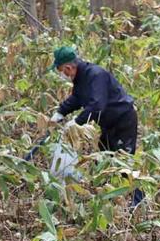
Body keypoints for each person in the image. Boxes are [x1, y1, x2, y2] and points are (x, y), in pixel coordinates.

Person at [49, 46, 143, 206]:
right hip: (108, 124)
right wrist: (60, 112)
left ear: (68, 68)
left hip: (123, 121)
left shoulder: (95, 75)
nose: (62, 75)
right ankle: (111, 197)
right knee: (105, 159)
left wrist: (77, 122)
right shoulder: (80, 78)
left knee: (124, 161)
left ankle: (139, 200)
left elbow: (97, 105)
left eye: (61, 71)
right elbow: (77, 98)